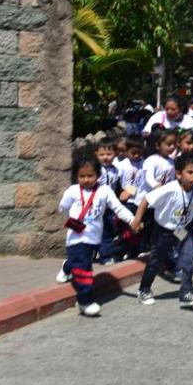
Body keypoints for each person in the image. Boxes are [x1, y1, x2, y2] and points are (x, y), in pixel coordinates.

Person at [56, 152, 135, 316]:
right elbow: (62, 207)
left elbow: (118, 208)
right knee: (85, 268)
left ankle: (67, 267)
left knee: (80, 261)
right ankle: (85, 301)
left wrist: (132, 220)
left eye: (90, 175)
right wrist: (73, 216)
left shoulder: (105, 191)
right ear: (76, 176)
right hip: (76, 236)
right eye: (82, 176)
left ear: (98, 175)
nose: (86, 180)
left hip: (94, 238)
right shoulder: (72, 191)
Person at [131, 152, 193, 308]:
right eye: (190, 172)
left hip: (183, 229)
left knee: (189, 259)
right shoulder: (169, 189)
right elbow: (146, 200)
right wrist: (137, 220)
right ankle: (144, 289)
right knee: (156, 260)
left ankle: (186, 292)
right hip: (164, 230)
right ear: (178, 174)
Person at [115, 135, 148, 260]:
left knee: (140, 226)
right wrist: (123, 193)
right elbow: (116, 181)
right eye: (133, 153)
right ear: (126, 151)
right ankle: (121, 250)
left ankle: (138, 250)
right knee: (127, 227)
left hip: (141, 201)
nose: (136, 156)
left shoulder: (145, 164)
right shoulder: (122, 165)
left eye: (139, 153)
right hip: (128, 201)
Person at [94, 137, 121, 265]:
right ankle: (92, 254)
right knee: (93, 230)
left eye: (109, 154)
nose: (105, 157)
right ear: (96, 155)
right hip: (96, 206)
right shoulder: (96, 170)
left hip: (109, 207)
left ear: (115, 154)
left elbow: (117, 187)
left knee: (108, 231)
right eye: (102, 154)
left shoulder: (115, 170)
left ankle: (105, 256)